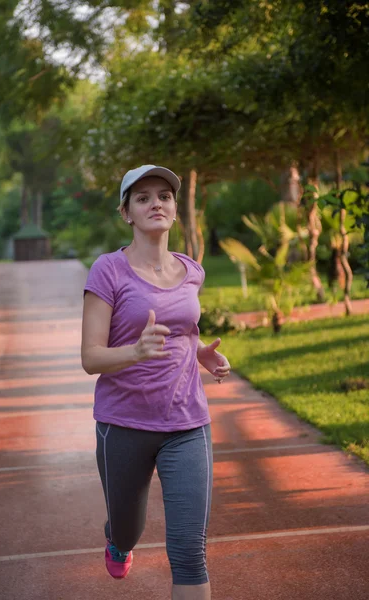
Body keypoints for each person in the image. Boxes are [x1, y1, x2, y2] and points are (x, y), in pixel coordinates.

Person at [81, 165, 231, 600]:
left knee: (189, 551)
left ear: (174, 209)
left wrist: (201, 353)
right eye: (142, 197)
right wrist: (135, 352)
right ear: (126, 212)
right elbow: (91, 358)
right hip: (123, 424)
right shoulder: (108, 271)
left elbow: (184, 330)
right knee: (129, 528)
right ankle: (118, 540)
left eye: (163, 195)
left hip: (187, 422)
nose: (156, 203)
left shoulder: (192, 271)